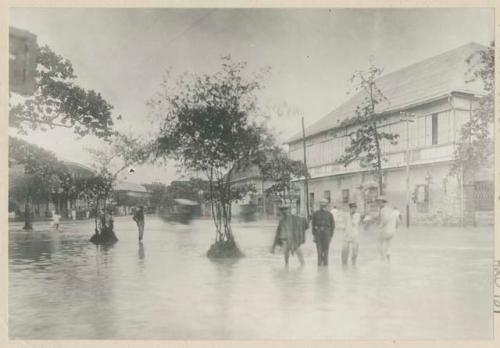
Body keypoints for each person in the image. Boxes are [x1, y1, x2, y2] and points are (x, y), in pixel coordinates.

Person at [312, 199, 335, 266]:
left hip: (327, 233)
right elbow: (313, 225)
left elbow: (333, 225)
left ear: (327, 206)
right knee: (319, 252)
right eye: (322, 205)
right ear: (320, 205)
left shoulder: (329, 214)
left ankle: (325, 268)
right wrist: (314, 235)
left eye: (324, 205)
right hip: (318, 233)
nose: (323, 207)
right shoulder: (315, 214)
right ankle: (319, 267)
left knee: (326, 252)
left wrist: (331, 235)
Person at [377, 196, 397, 262]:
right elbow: (397, 220)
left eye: (379, 202)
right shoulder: (391, 209)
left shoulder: (383, 209)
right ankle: (388, 261)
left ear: (383, 202)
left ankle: (382, 259)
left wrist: (380, 226)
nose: (378, 204)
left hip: (385, 230)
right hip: (392, 231)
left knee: (379, 243)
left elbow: (385, 219)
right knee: (388, 246)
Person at [341, 202, 361, 267]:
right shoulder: (346, 215)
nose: (353, 209)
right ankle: (344, 264)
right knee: (344, 250)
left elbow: (355, 222)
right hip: (347, 233)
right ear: (350, 208)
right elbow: (343, 223)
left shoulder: (357, 215)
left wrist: (352, 216)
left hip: (355, 234)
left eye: (355, 208)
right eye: (352, 208)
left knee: (355, 250)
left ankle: (353, 264)